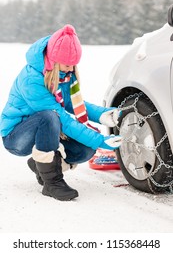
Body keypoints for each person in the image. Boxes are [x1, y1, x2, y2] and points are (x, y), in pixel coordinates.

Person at [0, 24, 122, 201]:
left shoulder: (62, 74)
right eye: (67, 65)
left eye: (74, 65)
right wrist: (101, 140)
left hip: (47, 129)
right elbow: (60, 118)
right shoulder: (32, 80)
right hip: (16, 137)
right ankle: (52, 183)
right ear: (54, 60)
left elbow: (74, 103)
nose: (71, 70)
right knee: (49, 116)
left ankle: (41, 165)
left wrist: (103, 115)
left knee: (86, 149)